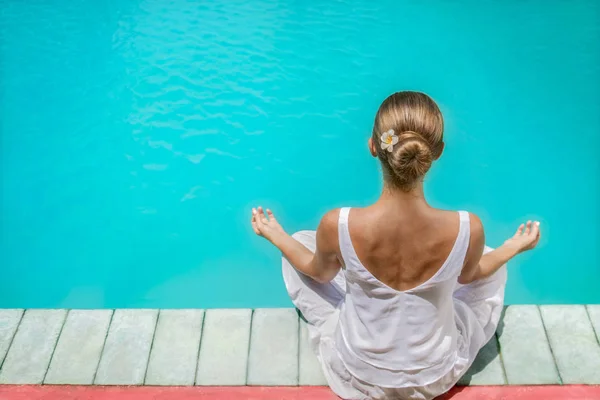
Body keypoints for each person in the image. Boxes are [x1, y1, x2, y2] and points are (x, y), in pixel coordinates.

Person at [250, 91, 541, 400]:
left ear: (374, 146)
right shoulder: (467, 226)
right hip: (434, 374)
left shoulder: (339, 223)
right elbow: (471, 276)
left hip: (360, 373)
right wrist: (513, 246)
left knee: (299, 245)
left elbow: (318, 274)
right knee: (485, 257)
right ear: (437, 152)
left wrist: (276, 236)